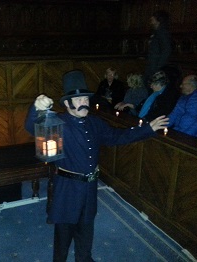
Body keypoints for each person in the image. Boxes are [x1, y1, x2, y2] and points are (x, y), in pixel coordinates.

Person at [24, 70, 169, 262]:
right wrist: (37, 108)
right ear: (67, 103)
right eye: (78, 99)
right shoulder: (57, 122)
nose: (83, 102)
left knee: (86, 229)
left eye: (85, 98)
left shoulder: (94, 122)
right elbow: (32, 126)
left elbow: (117, 136)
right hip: (67, 190)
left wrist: (147, 129)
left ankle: (84, 258)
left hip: (90, 188)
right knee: (63, 236)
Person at [143, 10, 172, 91]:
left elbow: (166, 50)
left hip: (155, 66)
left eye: (153, 18)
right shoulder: (156, 32)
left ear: (158, 19)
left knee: (151, 87)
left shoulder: (162, 32)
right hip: (152, 65)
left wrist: (158, 67)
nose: (151, 20)